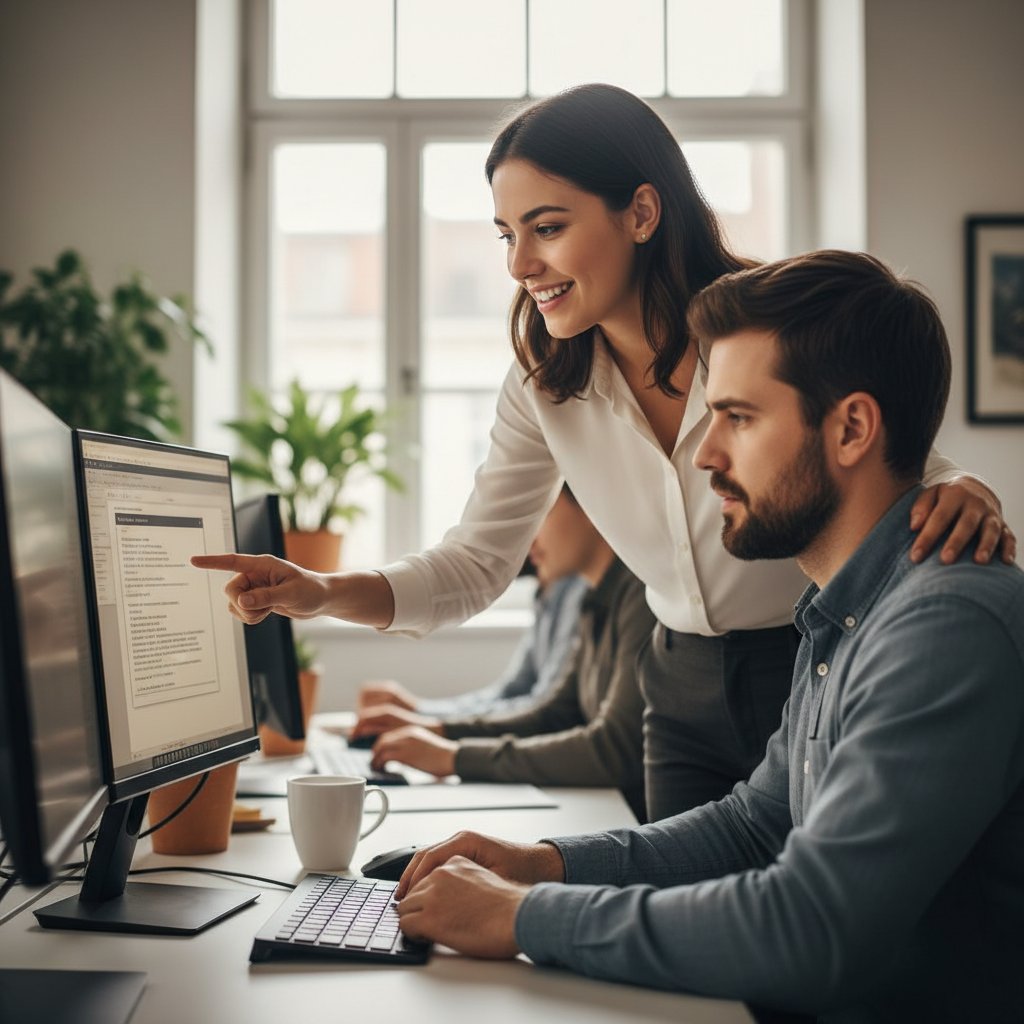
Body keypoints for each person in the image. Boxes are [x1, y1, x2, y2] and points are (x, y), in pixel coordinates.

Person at [193, 85, 1015, 821]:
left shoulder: (761, 327)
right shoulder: (544, 384)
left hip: (808, 664)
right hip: (676, 689)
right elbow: (476, 563)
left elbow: (879, 448)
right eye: (507, 235)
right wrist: (321, 591)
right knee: (686, 918)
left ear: (642, 213)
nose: (521, 265)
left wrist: (967, 485)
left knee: (807, 918)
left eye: (547, 228)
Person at [385, 251, 1024, 1023]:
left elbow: (811, 926)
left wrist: (519, 917)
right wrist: (537, 864)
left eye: (739, 418)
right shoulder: (842, 612)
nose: (703, 454)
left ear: (852, 428)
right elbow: (752, 826)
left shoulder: (943, 624)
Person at [354, 486, 654, 821]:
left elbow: (614, 751)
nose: (527, 537)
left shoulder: (643, 593)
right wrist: (442, 735)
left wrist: (454, 757)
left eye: (542, 512)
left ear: (589, 500)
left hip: (632, 823)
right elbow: (554, 715)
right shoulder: (596, 596)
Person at [355, 572, 588, 720]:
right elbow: (511, 692)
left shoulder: (579, 590)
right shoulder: (552, 589)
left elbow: (543, 710)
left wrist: (429, 723)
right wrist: (418, 709)